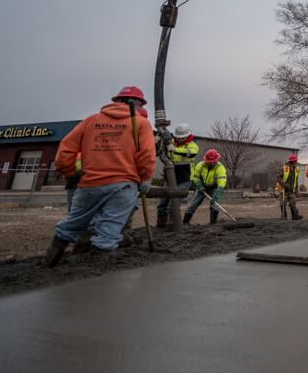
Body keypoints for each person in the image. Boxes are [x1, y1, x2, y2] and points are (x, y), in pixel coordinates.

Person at [43, 86, 155, 267]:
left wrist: (71, 174)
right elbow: (147, 155)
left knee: (72, 224)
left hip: (89, 185)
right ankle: (94, 276)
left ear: (116, 101)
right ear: (139, 104)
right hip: (123, 186)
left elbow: (65, 148)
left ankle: (48, 264)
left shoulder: (91, 121)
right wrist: (146, 178)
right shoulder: (141, 124)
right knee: (109, 231)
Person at [157, 122, 199, 228]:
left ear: (188, 135)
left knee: (173, 204)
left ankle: (173, 225)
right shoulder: (170, 142)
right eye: (178, 137)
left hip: (184, 179)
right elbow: (158, 150)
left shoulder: (192, 145)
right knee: (162, 203)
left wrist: (175, 149)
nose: (180, 139)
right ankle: (161, 225)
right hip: (169, 179)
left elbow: (191, 153)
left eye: (182, 137)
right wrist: (157, 139)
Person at [183, 149, 227, 224]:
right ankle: (185, 223)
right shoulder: (200, 165)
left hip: (214, 188)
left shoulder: (220, 168)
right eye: (210, 162)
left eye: (214, 162)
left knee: (214, 206)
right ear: (206, 160)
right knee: (191, 205)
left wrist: (217, 195)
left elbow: (222, 182)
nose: (212, 163)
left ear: (217, 160)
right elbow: (196, 177)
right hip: (202, 188)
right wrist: (199, 185)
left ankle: (213, 224)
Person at [281, 155, 302, 220]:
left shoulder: (296, 169)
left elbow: (296, 181)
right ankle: (284, 216)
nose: (296, 163)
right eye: (295, 162)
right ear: (292, 162)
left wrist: (297, 190)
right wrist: (285, 185)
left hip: (291, 189)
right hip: (284, 189)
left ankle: (294, 216)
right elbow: (278, 178)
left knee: (293, 202)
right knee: (283, 202)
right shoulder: (284, 168)